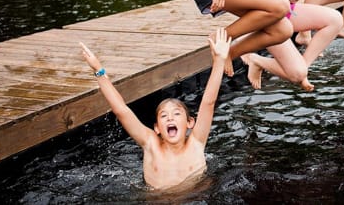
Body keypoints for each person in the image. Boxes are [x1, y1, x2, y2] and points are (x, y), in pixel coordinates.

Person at [79, 28, 231, 190]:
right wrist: (99, 71)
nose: (170, 118)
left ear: (190, 122)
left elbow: (208, 102)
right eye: (164, 116)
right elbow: (121, 111)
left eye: (177, 113)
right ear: (157, 127)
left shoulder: (196, 142)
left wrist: (220, 61)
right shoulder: (151, 144)